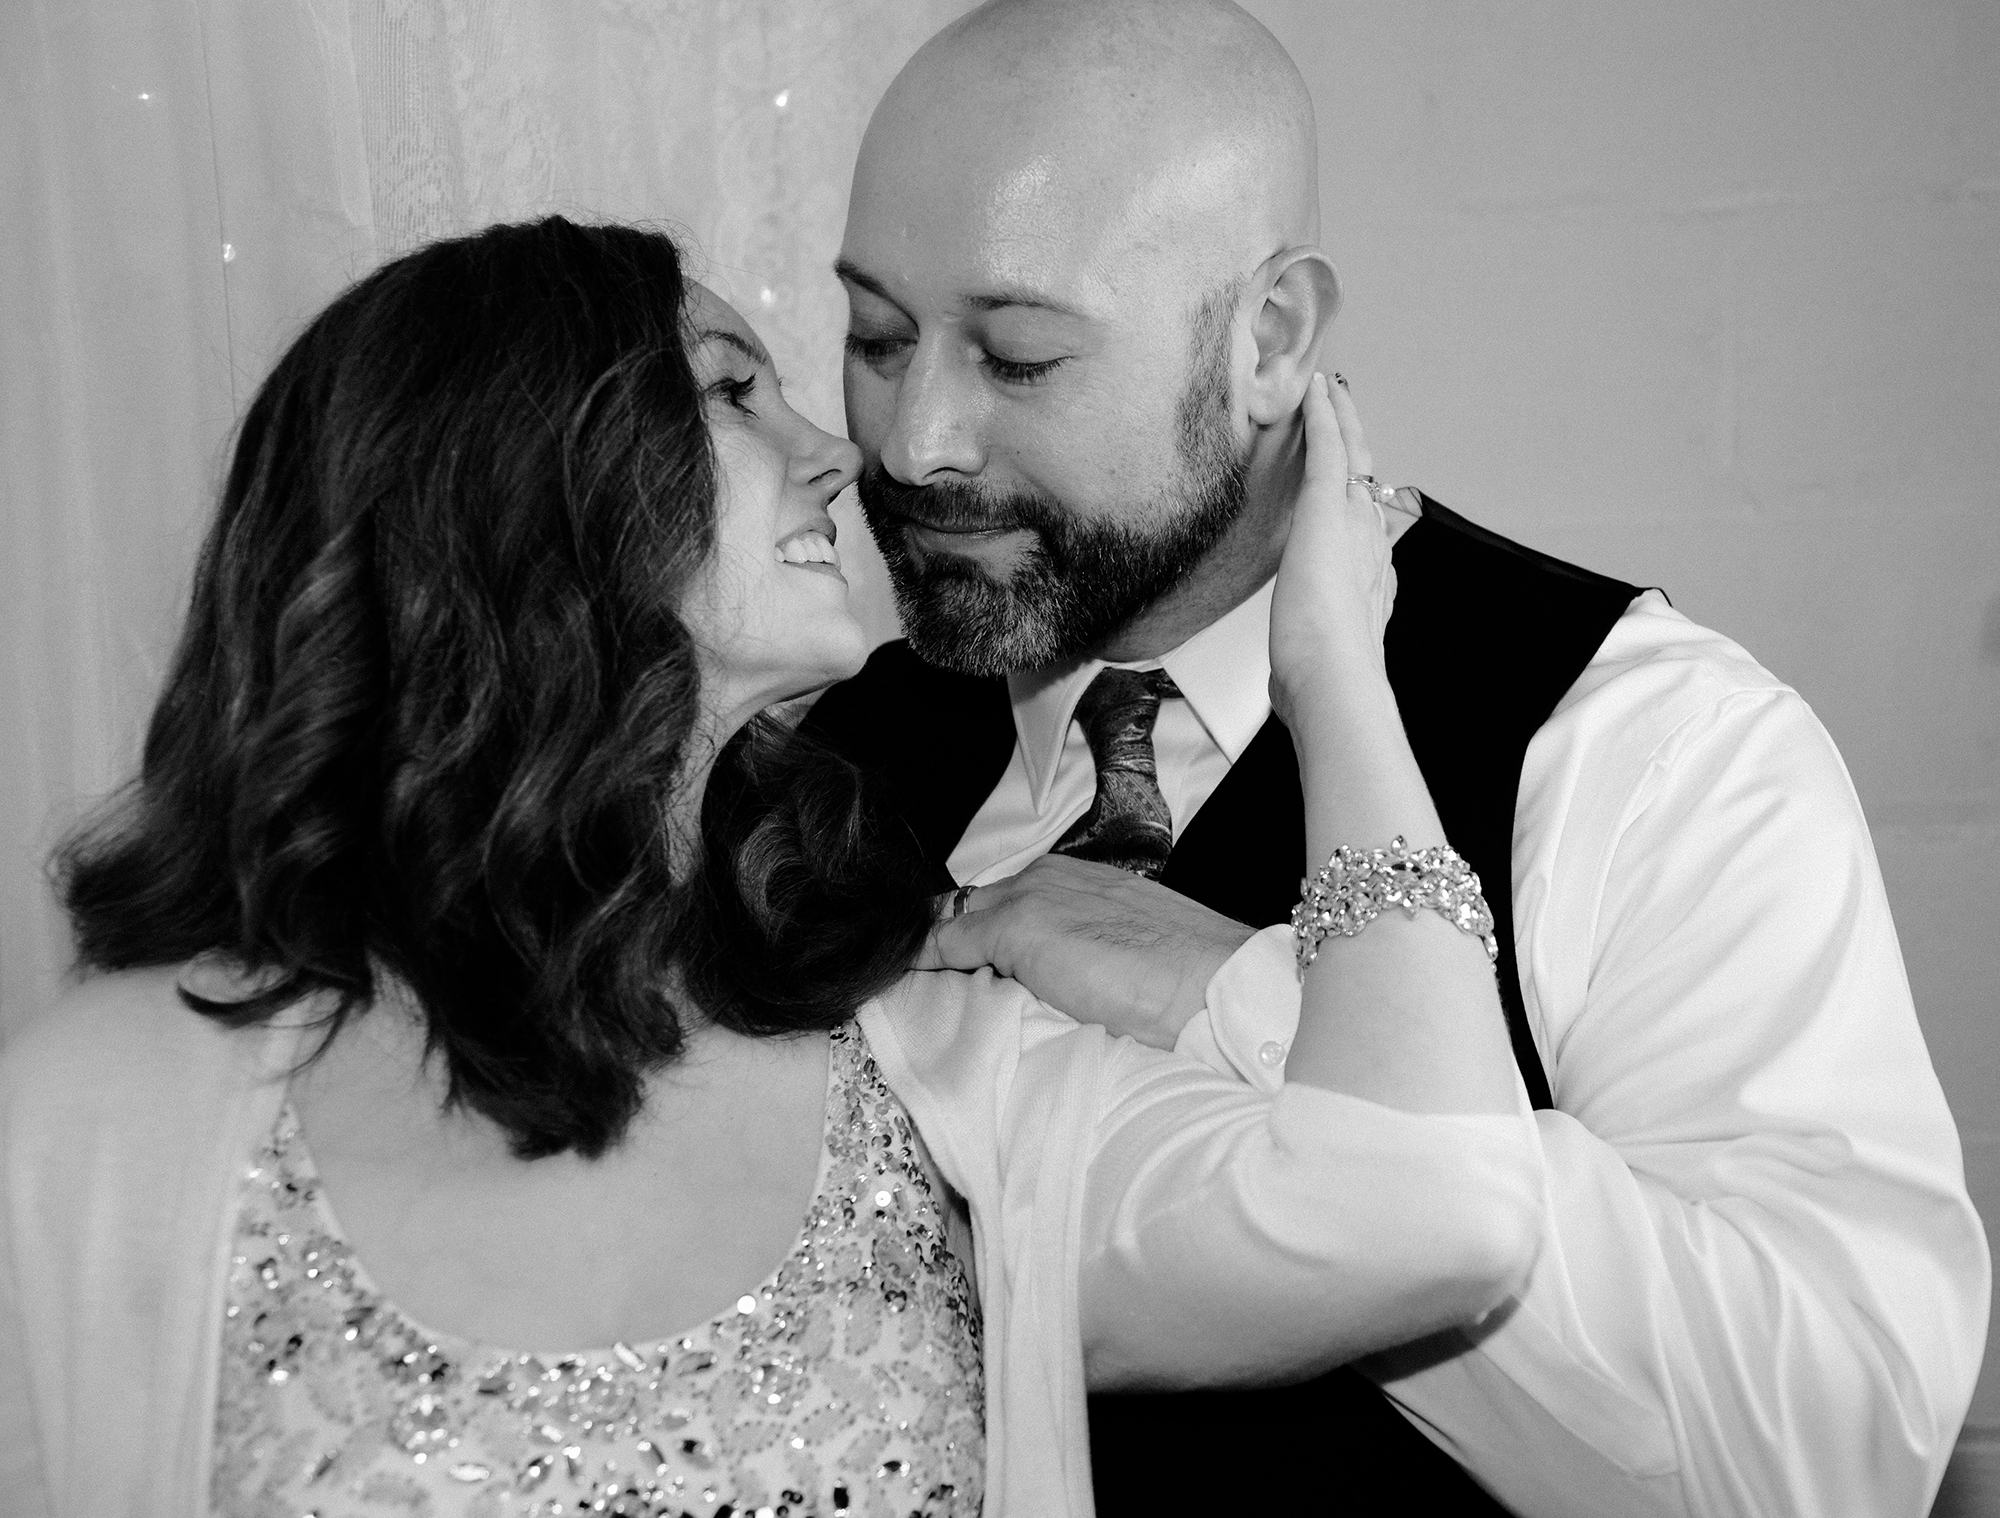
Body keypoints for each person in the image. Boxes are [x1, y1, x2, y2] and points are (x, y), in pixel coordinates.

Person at [0, 215, 1545, 1517]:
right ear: (513, 486)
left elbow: (1433, 1209)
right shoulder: (105, 1117)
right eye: (737, 391)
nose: (841, 458)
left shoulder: (939, 1070)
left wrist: (1337, 669)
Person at [805, 1, 1991, 1514]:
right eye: (876, 337)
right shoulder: (824, 757)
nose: (917, 442)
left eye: (1019, 356)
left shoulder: (1646, 745)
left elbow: (1810, 1465)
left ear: (1271, 341)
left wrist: (1243, 1002)